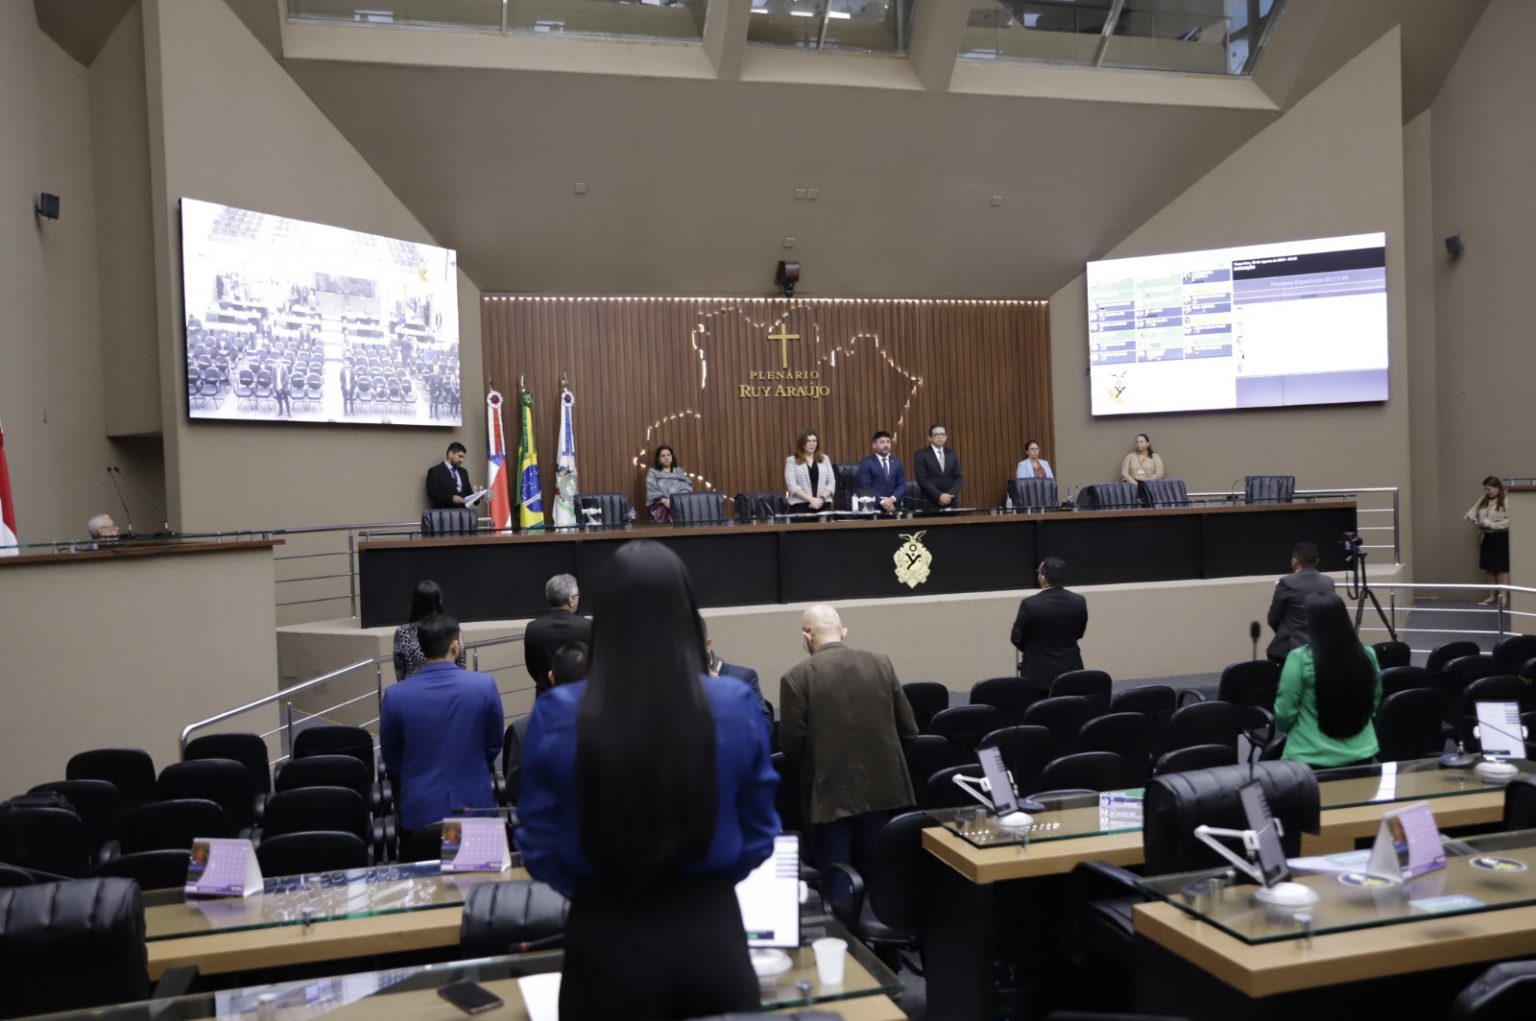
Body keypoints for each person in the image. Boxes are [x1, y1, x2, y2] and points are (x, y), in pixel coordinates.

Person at [516, 540, 778, 1020]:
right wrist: (705, 884)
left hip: (603, 939)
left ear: (603, 616)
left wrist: (601, 894)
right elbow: (760, 833)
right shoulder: (734, 703)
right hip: (711, 933)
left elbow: (537, 844)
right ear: (686, 609)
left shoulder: (556, 712)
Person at [778, 604, 918, 878]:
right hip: (884, 791)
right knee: (880, 881)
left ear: (807, 636)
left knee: (839, 883)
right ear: (843, 632)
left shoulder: (795, 678)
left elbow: (791, 747)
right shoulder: (881, 663)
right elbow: (909, 730)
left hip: (827, 800)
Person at [380, 614, 504, 831]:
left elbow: (392, 757)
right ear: (455, 646)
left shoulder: (395, 696)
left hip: (421, 814)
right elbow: (493, 743)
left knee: (423, 867)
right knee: (477, 867)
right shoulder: (484, 686)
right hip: (474, 807)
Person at [1275, 593, 1382, 768]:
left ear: (1311, 623)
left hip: (1309, 758)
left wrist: (1300, 732)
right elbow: (1374, 700)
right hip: (1363, 755)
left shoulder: (1299, 658)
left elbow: (1284, 714)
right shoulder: (1368, 654)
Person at [1010, 556, 1089, 695]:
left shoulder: (1030, 604)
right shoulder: (1079, 601)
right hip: (1071, 670)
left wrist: (1032, 650)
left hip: (1037, 674)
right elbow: (1080, 633)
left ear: (1043, 578)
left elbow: (1016, 637)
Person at [1265, 542, 1337, 665]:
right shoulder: (1328, 582)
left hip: (1293, 649)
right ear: (1317, 561)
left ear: (1294, 561)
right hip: (1323, 648)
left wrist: (1284, 631)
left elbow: (1273, 618)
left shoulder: (1286, 582)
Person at [524, 574, 593, 695]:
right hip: (580, 699)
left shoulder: (533, 628)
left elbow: (533, 668)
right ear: (571, 600)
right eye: (577, 596)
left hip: (546, 696)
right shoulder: (588, 627)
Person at [393, 579, 466, 680]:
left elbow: (400, 670)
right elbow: (461, 665)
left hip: (414, 691)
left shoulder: (402, 632)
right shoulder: (451, 629)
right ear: (438, 602)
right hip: (449, 687)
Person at [1465, 475, 1510, 606]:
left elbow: (1511, 520)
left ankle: (1504, 597)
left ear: (1497, 488)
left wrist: (1492, 524)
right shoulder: (1483, 500)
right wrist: (1475, 520)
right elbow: (1470, 513)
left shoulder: (1506, 500)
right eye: (1485, 489)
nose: (1487, 492)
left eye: (1489, 489)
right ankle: (1492, 596)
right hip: (1487, 537)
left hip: (1501, 536)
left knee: (1502, 568)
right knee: (1489, 568)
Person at [912, 423, 963, 511]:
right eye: (936, 434)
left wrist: (949, 495)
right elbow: (922, 479)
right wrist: (939, 496)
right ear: (930, 438)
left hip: (950, 503)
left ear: (946, 437)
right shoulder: (921, 454)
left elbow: (959, 477)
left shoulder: (952, 454)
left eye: (942, 434)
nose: (940, 437)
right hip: (930, 503)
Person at [856, 430, 907, 514]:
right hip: (873, 508)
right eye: (882, 442)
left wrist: (892, 499)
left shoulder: (897, 463)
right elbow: (866, 487)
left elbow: (901, 485)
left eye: (888, 442)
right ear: (874, 445)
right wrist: (884, 502)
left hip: (894, 507)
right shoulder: (866, 463)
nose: (886, 445)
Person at [784, 430, 835, 512]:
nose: (812, 444)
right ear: (802, 443)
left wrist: (821, 499)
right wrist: (812, 500)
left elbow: (831, 482)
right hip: (800, 505)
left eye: (814, 441)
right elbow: (792, 485)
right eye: (808, 441)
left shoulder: (825, 459)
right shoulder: (791, 460)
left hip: (822, 504)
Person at [645, 445, 692, 522]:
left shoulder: (679, 471)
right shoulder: (652, 473)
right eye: (663, 456)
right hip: (660, 503)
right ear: (659, 459)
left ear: (672, 457)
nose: (666, 458)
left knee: (686, 508)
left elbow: (686, 487)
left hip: (678, 502)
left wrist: (674, 501)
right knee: (661, 510)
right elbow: (652, 490)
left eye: (668, 455)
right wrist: (665, 500)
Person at [426, 442, 473, 508]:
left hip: (462, 514)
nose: (462, 460)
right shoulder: (435, 471)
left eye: (463, 457)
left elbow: (469, 492)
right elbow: (432, 493)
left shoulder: (463, 472)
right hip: (444, 514)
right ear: (450, 454)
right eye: (460, 456)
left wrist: (477, 497)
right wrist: (451, 498)